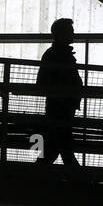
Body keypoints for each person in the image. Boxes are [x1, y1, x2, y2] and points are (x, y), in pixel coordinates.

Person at [35, 17, 84, 169]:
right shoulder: (61, 55)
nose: (73, 34)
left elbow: (42, 82)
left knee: (54, 149)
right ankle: (81, 181)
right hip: (62, 108)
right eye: (70, 31)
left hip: (58, 106)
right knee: (64, 148)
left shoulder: (54, 54)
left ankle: (31, 177)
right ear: (62, 34)